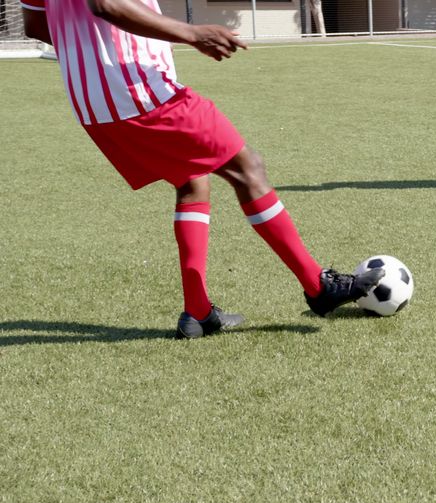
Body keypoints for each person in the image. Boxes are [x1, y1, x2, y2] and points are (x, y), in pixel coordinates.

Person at [20, 0, 383, 339]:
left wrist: (90, 50)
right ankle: (319, 287)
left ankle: (197, 312)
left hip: (94, 104)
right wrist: (191, 33)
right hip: (139, 91)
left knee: (192, 180)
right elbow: (108, 4)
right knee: (248, 168)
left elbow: (35, 24)